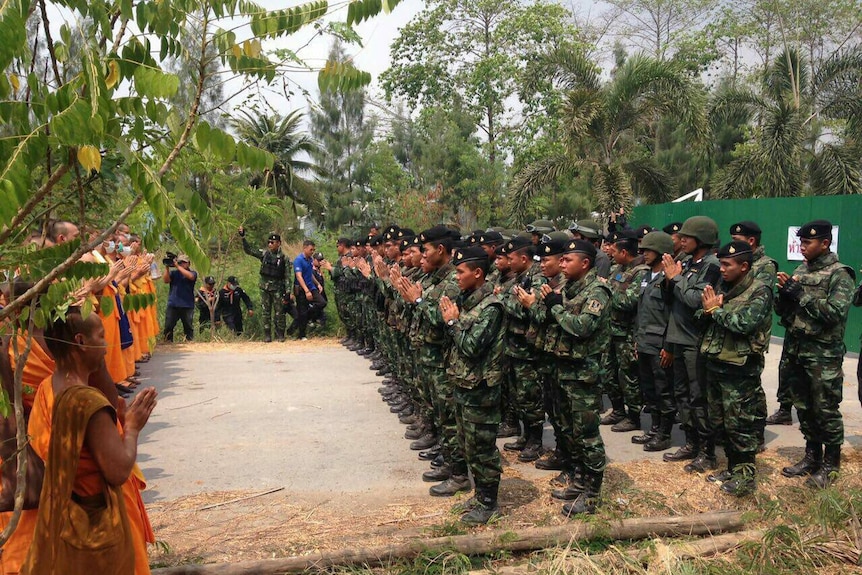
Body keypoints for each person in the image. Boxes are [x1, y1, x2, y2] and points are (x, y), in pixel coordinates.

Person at [24, 309, 157, 574]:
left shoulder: (46, 389)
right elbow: (118, 471)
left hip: (64, 515)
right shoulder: (87, 402)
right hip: (97, 517)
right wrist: (131, 427)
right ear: (81, 342)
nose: (107, 346)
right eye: (101, 336)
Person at [776, 220, 855, 489]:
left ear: (824, 243)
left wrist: (800, 296)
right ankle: (812, 457)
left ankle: (831, 465)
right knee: (805, 408)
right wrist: (784, 298)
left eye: (808, 242)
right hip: (798, 350)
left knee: (825, 409)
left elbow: (835, 313)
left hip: (823, 355)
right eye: (801, 242)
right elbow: (789, 314)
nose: (803, 247)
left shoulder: (840, 274)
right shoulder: (801, 270)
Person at [542, 239, 612, 516]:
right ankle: (580, 480)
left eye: (567, 259)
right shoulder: (569, 288)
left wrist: (555, 308)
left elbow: (582, 327)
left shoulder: (598, 291)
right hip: (565, 370)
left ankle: (592, 496)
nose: (561, 263)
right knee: (570, 432)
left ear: (585, 263)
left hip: (584, 375)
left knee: (587, 436)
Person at [699, 241, 773, 496]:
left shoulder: (759, 290)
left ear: (744, 266)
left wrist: (715, 311)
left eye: (727, 264)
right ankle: (732, 468)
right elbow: (705, 313)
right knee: (720, 423)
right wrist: (707, 311)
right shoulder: (724, 287)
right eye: (720, 263)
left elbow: (744, 323)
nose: (721, 269)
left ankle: (746, 477)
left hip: (740, 370)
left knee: (740, 424)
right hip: (717, 363)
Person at [438, 246, 506, 524]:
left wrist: (453, 322)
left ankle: (489, 503)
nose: (456, 277)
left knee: (482, 447)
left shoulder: (491, 307)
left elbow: (472, 346)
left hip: (481, 390)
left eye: (460, 272)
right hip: (465, 384)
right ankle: (479, 495)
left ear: (477, 273)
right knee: (468, 444)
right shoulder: (469, 300)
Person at [662, 216, 721, 472]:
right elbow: (669, 298)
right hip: (678, 338)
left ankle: (708, 452)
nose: (681, 240)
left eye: (687, 237)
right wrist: (669, 279)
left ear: (702, 239)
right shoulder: (685, 263)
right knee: (682, 395)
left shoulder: (712, 266)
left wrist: (675, 279)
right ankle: (691, 443)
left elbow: (695, 299)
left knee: (698, 398)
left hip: (695, 340)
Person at [602, 230, 650, 433]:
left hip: (627, 334)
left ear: (624, 252)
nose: (611, 253)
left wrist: (605, 291)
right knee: (608, 373)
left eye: (614, 250)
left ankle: (633, 416)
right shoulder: (618, 269)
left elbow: (629, 301)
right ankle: (618, 409)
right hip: (611, 331)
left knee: (628, 376)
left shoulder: (640, 272)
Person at [632, 232, 676, 452]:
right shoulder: (646, 276)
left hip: (661, 344)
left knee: (664, 389)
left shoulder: (670, 278)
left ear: (660, 251)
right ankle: (655, 428)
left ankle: (665, 433)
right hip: (645, 341)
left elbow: (674, 316)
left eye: (648, 250)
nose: (643, 254)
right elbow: (642, 312)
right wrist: (637, 341)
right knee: (649, 389)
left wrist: (669, 346)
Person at [240, 227, 288, 342]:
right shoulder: (264, 254)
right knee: (266, 312)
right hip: (265, 288)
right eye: (269, 242)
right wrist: (243, 237)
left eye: (272, 242)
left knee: (279, 313)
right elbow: (249, 250)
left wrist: (288, 292)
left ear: (279, 243)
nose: (270, 244)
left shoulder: (283, 258)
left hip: (277, 289)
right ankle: (267, 335)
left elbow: (287, 276)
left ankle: (280, 334)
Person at [292, 240, 326, 341]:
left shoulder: (310, 260)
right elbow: (299, 276)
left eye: (313, 250)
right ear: (305, 248)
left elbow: (310, 274)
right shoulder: (298, 260)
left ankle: (308, 315)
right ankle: (302, 334)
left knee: (322, 302)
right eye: (311, 249)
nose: (312, 252)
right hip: (302, 288)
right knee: (302, 311)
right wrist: (306, 291)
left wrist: (317, 284)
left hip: (311, 286)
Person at [162, 253, 197, 342]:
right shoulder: (174, 273)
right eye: (180, 262)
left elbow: (191, 277)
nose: (182, 264)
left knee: (188, 326)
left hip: (187, 305)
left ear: (189, 263)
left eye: (184, 262)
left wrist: (177, 266)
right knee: (169, 326)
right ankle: (168, 342)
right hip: (173, 304)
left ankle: (189, 342)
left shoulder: (192, 273)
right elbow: (166, 280)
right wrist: (167, 267)